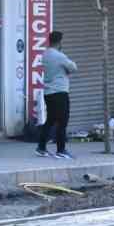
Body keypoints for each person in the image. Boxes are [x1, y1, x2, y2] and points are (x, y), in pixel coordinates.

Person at [37, 30, 77, 159]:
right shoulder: (59, 56)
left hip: (48, 92)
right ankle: (61, 150)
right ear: (59, 42)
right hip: (60, 92)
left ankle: (41, 147)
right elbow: (73, 68)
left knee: (50, 120)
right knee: (62, 121)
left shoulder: (45, 54)